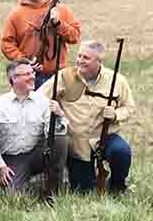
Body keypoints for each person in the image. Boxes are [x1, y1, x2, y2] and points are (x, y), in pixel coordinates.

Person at [39, 40, 135, 193]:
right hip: (76, 143)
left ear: (99, 61)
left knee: (121, 152)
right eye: (79, 56)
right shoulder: (65, 76)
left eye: (86, 58)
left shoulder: (118, 81)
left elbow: (129, 108)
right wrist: (53, 108)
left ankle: (117, 185)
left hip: (105, 137)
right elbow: (40, 97)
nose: (80, 61)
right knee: (83, 191)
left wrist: (116, 114)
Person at [0, 60, 68, 195]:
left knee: (60, 140)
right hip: (13, 158)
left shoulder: (44, 102)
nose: (33, 76)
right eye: (27, 74)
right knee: (13, 196)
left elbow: (53, 134)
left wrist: (59, 115)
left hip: (37, 154)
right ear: (14, 79)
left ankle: (53, 191)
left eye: (33, 72)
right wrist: (1, 166)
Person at [2, 0, 83, 88]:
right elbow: (6, 44)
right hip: (29, 74)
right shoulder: (16, 14)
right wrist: (24, 61)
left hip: (58, 74)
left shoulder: (62, 10)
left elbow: (74, 36)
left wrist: (58, 23)